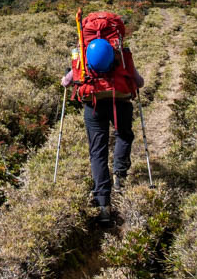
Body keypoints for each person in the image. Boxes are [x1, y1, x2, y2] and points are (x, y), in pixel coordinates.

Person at [61, 48, 144, 224]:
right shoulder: (120, 52)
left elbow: (68, 82)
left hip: (93, 104)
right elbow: (138, 81)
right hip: (120, 101)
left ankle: (103, 205)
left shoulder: (83, 50)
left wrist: (66, 78)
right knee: (124, 135)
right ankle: (119, 175)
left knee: (97, 151)